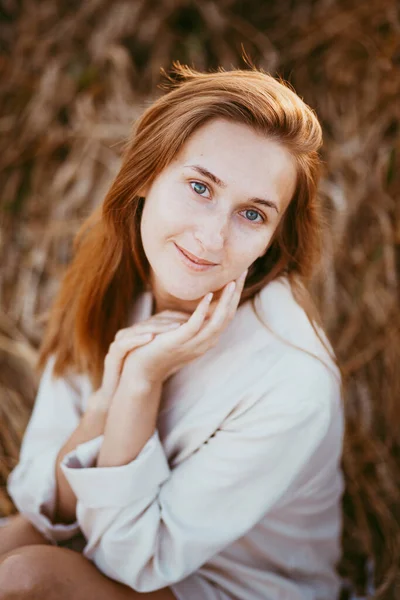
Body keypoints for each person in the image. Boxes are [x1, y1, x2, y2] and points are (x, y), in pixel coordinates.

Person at [0, 63, 345, 600]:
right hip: (110, 540)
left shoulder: (292, 380)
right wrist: (103, 405)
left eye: (252, 215)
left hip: (233, 587)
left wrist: (140, 383)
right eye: (200, 186)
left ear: (272, 241)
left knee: (26, 578)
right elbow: (46, 504)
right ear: (144, 176)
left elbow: (133, 559)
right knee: (11, 546)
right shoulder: (114, 277)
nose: (210, 239)